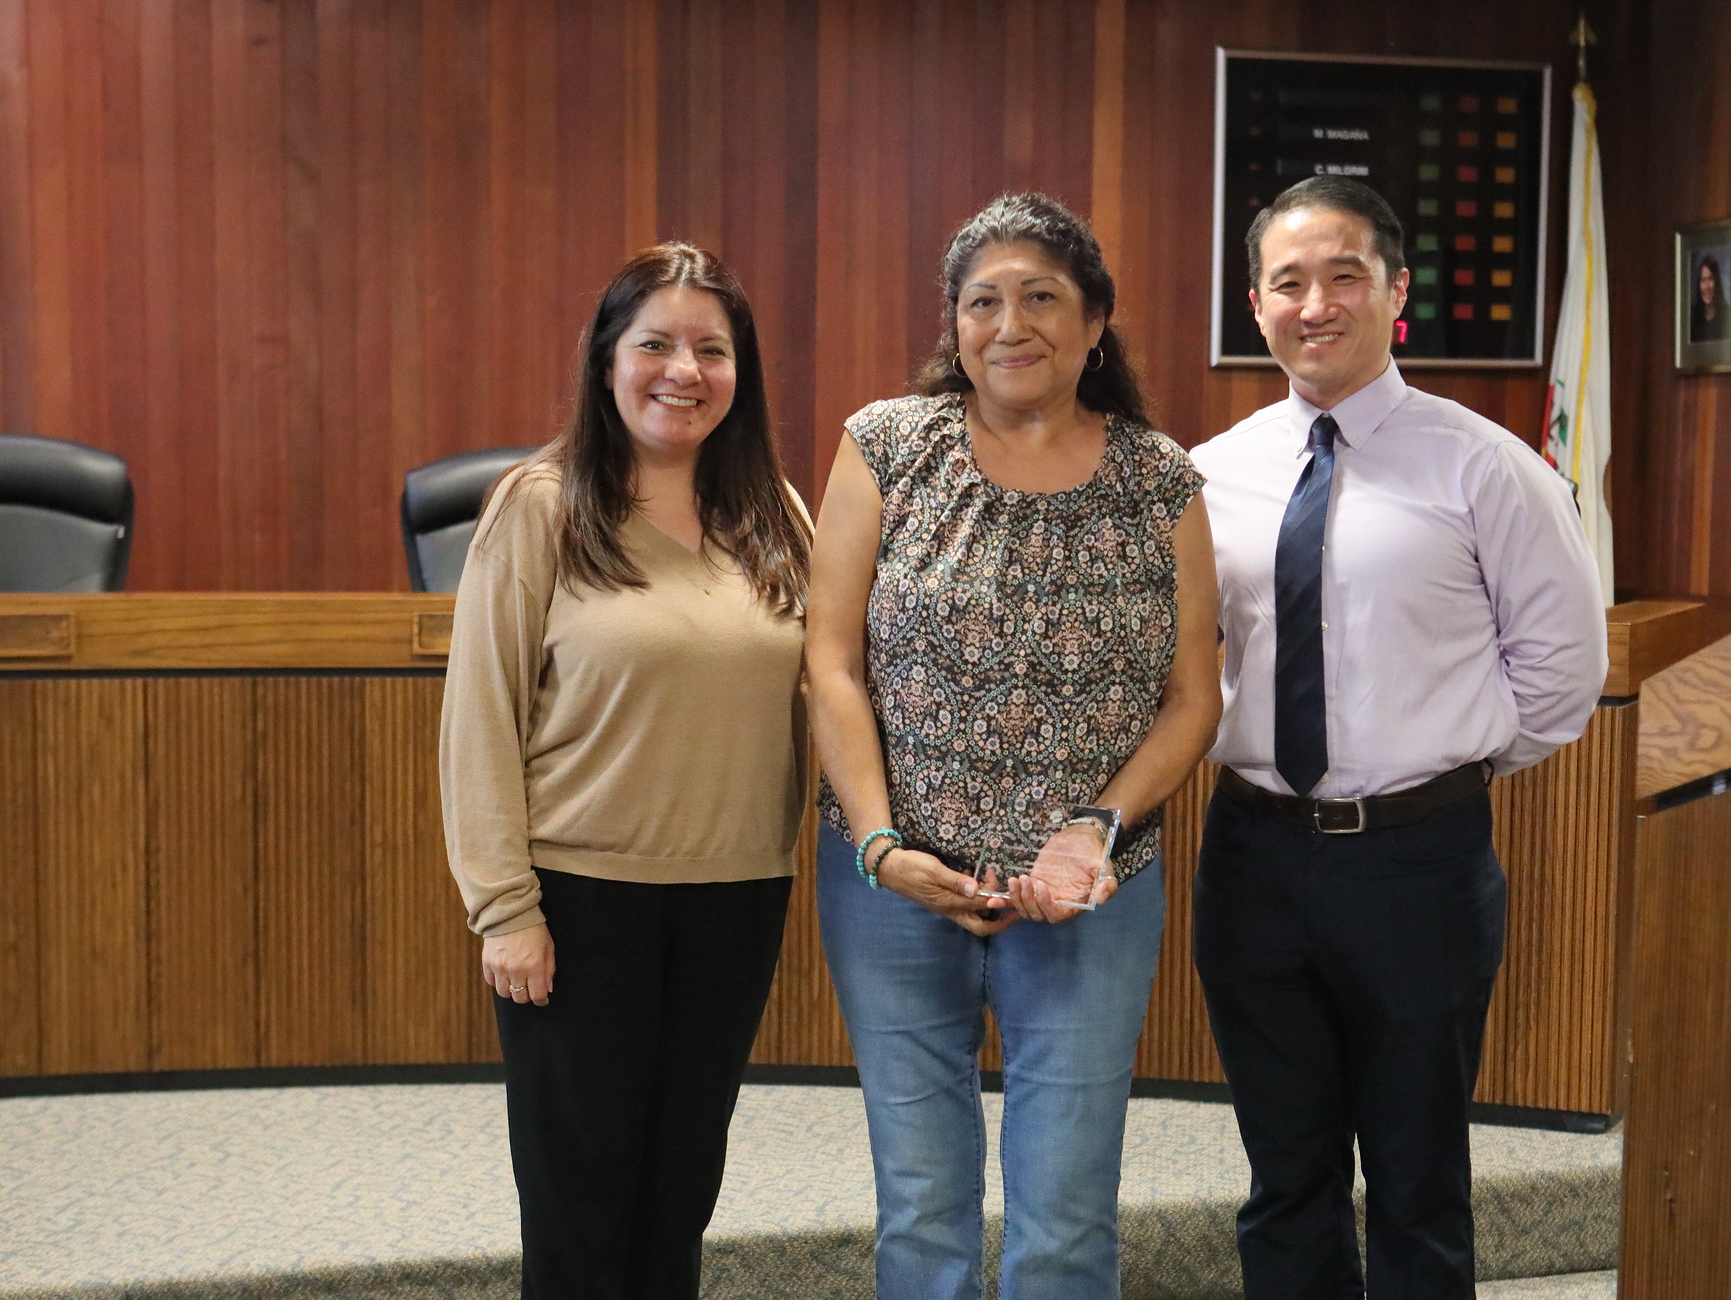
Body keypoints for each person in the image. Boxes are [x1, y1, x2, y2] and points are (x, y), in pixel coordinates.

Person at [1189, 175, 1607, 1300]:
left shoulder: (1488, 468)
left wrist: (1430, 768)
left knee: (1418, 1181)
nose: (1313, 303)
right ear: (1255, 303)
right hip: (1253, 857)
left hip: (1416, 863)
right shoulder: (1209, 473)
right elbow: (1188, 667)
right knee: (1284, 1176)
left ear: (1395, 293)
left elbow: (1563, 676)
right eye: (1287, 282)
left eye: (1343, 276)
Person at [806, 192, 1221, 1300]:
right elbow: (830, 660)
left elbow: (1191, 697)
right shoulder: (886, 445)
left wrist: (1092, 828)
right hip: (895, 884)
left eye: (1041, 296)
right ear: (952, 326)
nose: (1010, 322)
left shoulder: (1158, 478)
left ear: (1095, 323)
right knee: (921, 1202)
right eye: (982, 301)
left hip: (1090, 891)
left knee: (1066, 1210)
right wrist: (884, 846)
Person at [440, 242, 813, 1299]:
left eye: (711, 349)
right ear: (607, 360)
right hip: (577, 903)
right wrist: (503, 907)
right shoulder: (539, 505)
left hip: (736, 899)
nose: (681, 371)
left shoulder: (771, 511)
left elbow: (831, 680)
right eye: (654, 344)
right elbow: (479, 718)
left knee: (678, 1195)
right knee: (579, 1204)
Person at [1688, 252, 1728, 342]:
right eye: (1703, 280)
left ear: (1717, 282)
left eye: (1710, 279)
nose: (1706, 287)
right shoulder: (1692, 318)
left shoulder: (1728, 314)